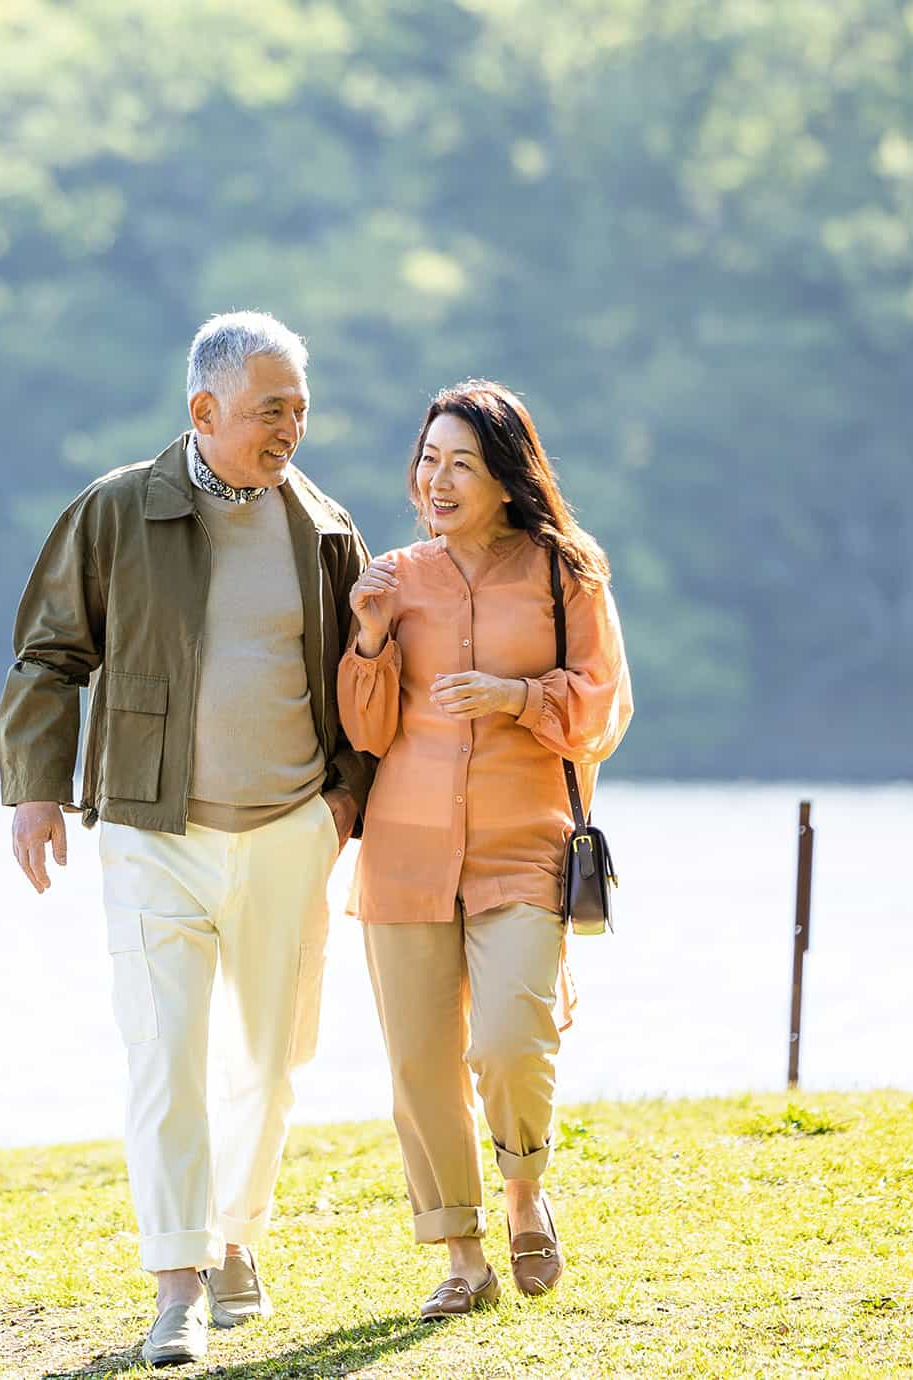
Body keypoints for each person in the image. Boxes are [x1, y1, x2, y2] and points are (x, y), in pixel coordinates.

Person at [0, 312, 373, 1367]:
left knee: (270, 1057)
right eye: (268, 411)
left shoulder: (325, 525)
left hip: (288, 830)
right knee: (165, 1056)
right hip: (149, 830)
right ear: (203, 411)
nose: (288, 430)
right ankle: (177, 1285)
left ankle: (235, 1236)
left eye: (298, 409)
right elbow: (47, 656)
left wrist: (342, 803)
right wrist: (35, 793)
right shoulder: (117, 512)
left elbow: (357, 681)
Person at [338, 378, 632, 1319]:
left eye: (462, 462)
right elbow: (365, 729)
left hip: (523, 846)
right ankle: (461, 1255)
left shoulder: (566, 572)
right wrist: (373, 639)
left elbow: (604, 707)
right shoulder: (394, 576)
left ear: (506, 474)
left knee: (512, 1037)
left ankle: (524, 1189)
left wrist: (516, 699)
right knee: (420, 1064)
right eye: (429, 460)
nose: (440, 480)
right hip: (405, 852)